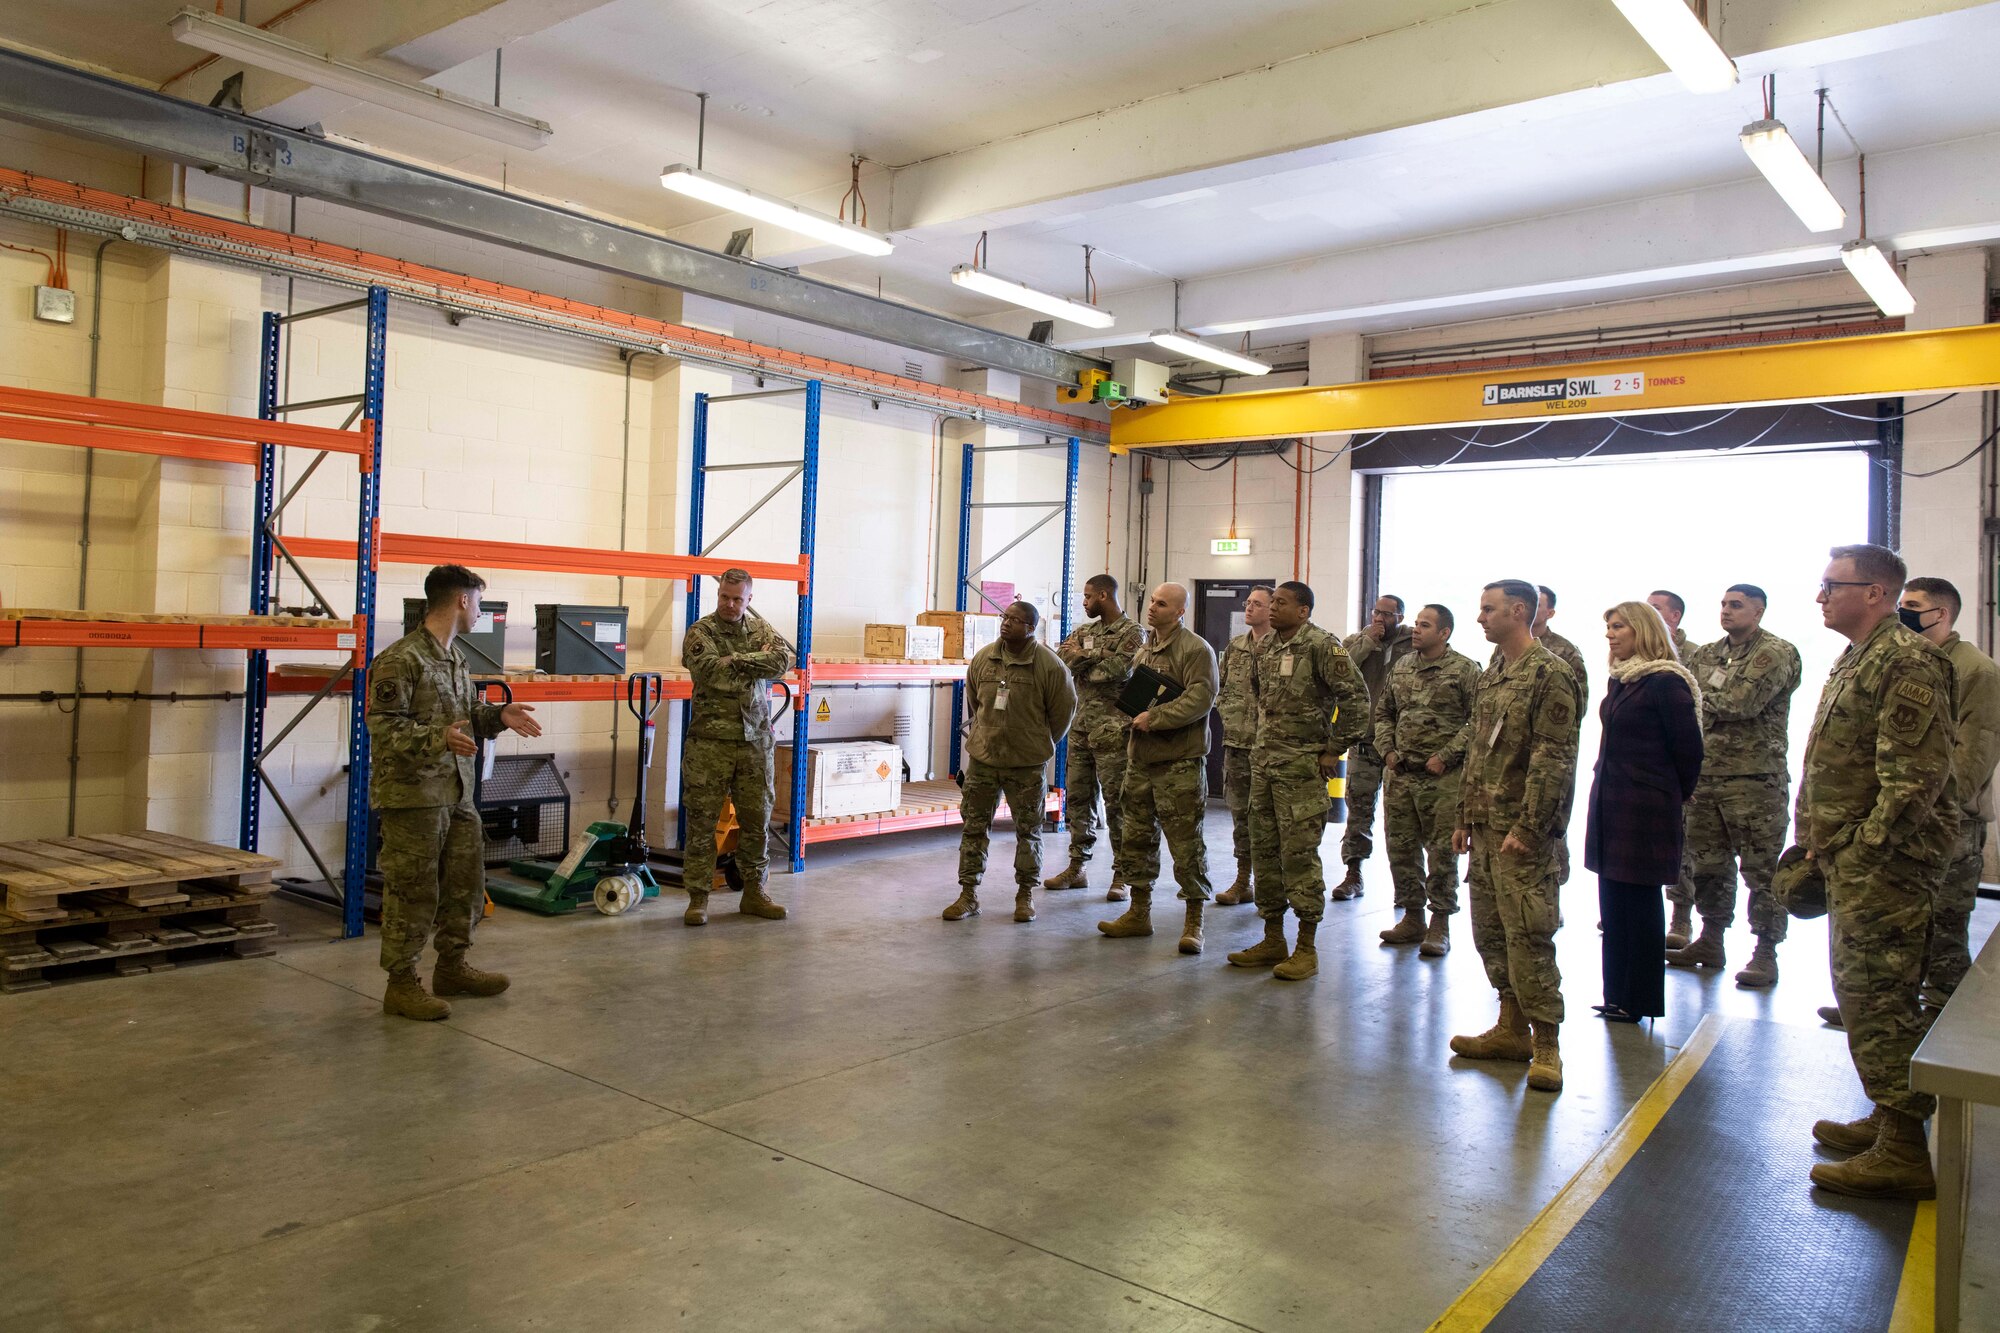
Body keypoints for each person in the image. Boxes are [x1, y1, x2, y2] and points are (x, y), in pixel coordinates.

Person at [1801, 544, 1956, 1200]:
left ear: (1875, 593)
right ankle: (1890, 1114)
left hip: (1886, 866)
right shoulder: (1859, 656)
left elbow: (1912, 781)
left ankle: (1902, 1150)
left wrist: (1861, 852)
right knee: (1865, 995)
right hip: (1857, 857)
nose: (1821, 596)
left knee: (1881, 995)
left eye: (1833, 585)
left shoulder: (1907, 660)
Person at [370, 564, 543, 1020]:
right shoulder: (400, 659)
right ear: (462, 600)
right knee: (413, 890)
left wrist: (498, 715)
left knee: (466, 885)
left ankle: (452, 966)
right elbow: (384, 728)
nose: (481, 610)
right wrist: (437, 739)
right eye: (479, 602)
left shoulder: (455, 658)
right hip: (414, 799)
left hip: (457, 793)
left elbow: (467, 716)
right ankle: (401, 983)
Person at [1450, 579, 1581, 1093]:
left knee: (1529, 933)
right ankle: (1511, 1028)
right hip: (1484, 828)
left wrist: (1531, 826)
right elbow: (1478, 754)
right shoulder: (1494, 672)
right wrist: (1464, 817)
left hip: (1521, 833)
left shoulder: (1550, 673)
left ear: (1519, 611)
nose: (1480, 617)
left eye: (1489, 609)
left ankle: (1547, 1045)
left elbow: (1554, 760)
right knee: (1491, 933)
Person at [1226, 581, 1371, 980]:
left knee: (1299, 857)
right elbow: (1259, 699)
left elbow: (1357, 700)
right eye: (1271, 602)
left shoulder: (1324, 646)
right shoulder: (1267, 646)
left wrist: (1333, 749)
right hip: (1264, 769)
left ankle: (1306, 947)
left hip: (1301, 773)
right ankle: (1273, 938)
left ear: (1304, 610)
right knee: (1266, 853)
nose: (1272, 608)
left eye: (1281, 603)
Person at [1668, 585, 1803, 984]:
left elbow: (1741, 703)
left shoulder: (1776, 652)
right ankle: (1711, 939)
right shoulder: (1706, 653)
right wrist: (1698, 698)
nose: (1726, 611)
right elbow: (1687, 700)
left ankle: (1765, 951)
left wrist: (1697, 697)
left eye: (1737, 605)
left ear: (1759, 611)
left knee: (1762, 872)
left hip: (1754, 781)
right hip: (1705, 777)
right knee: (1708, 866)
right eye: (1724, 604)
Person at [1585, 601, 1703, 1022]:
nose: (1611, 634)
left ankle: (1640, 999)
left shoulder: (1665, 683)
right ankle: (1617, 994)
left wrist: (1664, 795)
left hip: (1645, 810)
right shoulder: (1623, 679)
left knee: (1639, 903)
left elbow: (1689, 754)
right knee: (1613, 904)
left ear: (1643, 630)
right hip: (1612, 803)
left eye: (1619, 627)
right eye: (1609, 627)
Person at [1099, 582, 1220, 953]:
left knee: (1186, 845)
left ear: (1180, 611)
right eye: (1151, 600)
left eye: (1162, 603)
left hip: (1178, 762)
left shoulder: (1195, 649)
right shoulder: (1146, 646)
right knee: (1136, 838)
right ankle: (1139, 913)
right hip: (1141, 760)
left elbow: (1202, 698)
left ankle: (1194, 921)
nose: (1152, 607)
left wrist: (1158, 717)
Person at [1899, 577, 2000, 1006]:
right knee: (1902, 923)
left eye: (1912, 605)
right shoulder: (1908, 659)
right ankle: (1889, 1008)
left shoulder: (1975, 670)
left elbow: (1973, 755)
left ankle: (1946, 1025)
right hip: (1905, 814)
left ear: (1940, 614)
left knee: (1944, 930)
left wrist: (1932, 808)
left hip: (1950, 823)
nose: (1901, 612)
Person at [943, 601, 1077, 923]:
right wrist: (989, 733)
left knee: (1028, 832)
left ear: (1031, 628)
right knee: (974, 828)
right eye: (1005, 617)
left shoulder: (1050, 666)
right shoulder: (983, 659)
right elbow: (975, 703)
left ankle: (1025, 894)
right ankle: (968, 894)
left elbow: (1063, 712)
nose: (1007, 624)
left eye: (1015, 620)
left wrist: (1036, 741)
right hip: (984, 759)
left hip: (1026, 763)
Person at [680, 568, 798, 926]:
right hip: (709, 744)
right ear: (718, 596)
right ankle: (698, 899)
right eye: (724, 597)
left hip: (755, 742)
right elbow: (711, 672)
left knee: (757, 821)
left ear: (749, 599)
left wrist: (737, 660)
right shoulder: (701, 631)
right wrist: (752, 664)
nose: (730, 605)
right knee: (701, 824)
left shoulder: (761, 629)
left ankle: (754, 893)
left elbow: (784, 660)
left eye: (737, 599)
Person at [1375, 603, 1478, 957]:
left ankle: (1440, 923)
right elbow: (1384, 711)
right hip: (1401, 775)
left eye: (1425, 625)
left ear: (1444, 633)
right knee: (1400, 849)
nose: (1416, 629)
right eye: (1416, 623)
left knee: (1441, 853)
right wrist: (1386, 748)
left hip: (1442, 779)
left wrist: (1446, 756)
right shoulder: (1402, 666)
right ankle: (1413, 916)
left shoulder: (1464, 670)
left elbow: (1476, 722)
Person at [1047, 574, 1142, 900]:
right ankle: (1077, 867)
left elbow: (1117, 671)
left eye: (1088, 597)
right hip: (1082, 728)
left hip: (1113, 730)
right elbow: (1062, 659)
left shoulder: (1133, 632)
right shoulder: (1085, 630)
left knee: (1117, 803)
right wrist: (1095, 657)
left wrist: (1086, 657)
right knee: (1078, 800)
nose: (1084, 603)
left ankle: (1123, 874)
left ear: (1104, 595)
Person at [1336, 594, 1416, 901]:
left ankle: (1407, 891)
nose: (1380, 618)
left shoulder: (1411, 643)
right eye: (1376, 612)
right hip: (1365, 740)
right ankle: (1353, 874)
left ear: (1400, 616)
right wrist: (1368, 643)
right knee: (1358, 810)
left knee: (1402, 819)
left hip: (1400, 744)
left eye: (1387, 614)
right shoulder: (1358, 641)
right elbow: (1341, 671)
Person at [1215, 586, 1274, 906]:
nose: (1249, 608)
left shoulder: (1282, 648)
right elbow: (1222, 689)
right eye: (1247, 603)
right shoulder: (1236, 647)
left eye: (1257, 604)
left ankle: (1270, 884)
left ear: (1272, 609)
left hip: (1270, 748)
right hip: (1237, 743)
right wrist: (1229, 715)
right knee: (1241, 815)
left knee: (1269, 818)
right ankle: (1243, 879)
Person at [1648, 589, 1692, 660]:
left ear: (1675, 616)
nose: (1647, 613)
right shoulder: (1635, 649)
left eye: (1655, 608)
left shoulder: (1694, 655)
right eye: (1646, 608)